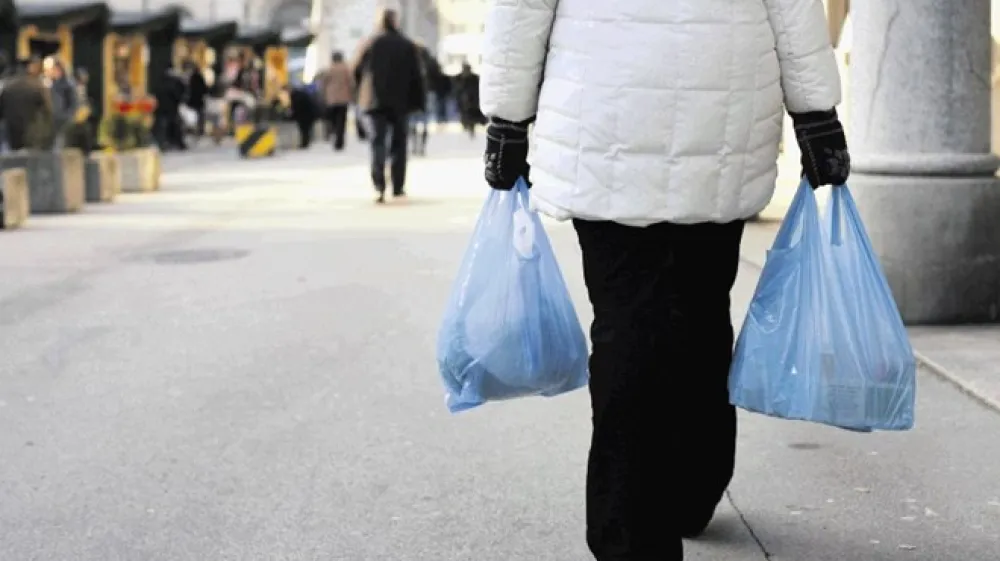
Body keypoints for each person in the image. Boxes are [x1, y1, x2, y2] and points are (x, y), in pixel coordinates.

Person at [479, 2, 850, 561]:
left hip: (604, 115)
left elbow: (522, 9)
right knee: (701, 309)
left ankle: (630, 535)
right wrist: (816, 113)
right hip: (723, 112)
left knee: (626, 322)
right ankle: (693, 483)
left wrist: (507, 120)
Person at [352, 8, 426, 203]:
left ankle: (379, 186)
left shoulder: (370, 43)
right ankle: (398, 187)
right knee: (399, 145)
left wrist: (360, 95)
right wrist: (418, 102)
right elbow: (417, 76)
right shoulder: (406, 45)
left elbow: (357, 71)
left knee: (377, 143)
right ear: (395, 22)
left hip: (373, 101)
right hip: (400, 102)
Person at [0, 56, 52, 151]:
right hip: (33, 133)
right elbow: (47, 111)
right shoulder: (38, 86)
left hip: (12, 133)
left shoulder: (8, 87)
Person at [315, 51, 355, 151]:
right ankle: (339, 142)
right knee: (341, 120)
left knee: (333, 119)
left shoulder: (329, 69)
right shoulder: (346, 69)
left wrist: (323, 95)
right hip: (344, 98)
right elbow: (352, 83)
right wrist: (353, 95)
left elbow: (323, 84)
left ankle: (334, 135)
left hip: (331, 99)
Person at [454, 62, 483, 138]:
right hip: (463, 102)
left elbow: (477, 89)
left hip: (472, 102)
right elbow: (457, 90)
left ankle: (471, 128)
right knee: (464, 115)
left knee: (471, 117)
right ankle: (466, 126)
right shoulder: (459, 78)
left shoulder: (474, 78)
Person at [286, 83, 318, 149]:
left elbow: (296, 107)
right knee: (306, 129)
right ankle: (305, 143)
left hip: (306, 115)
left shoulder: (295, 95)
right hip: (309, 114)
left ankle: (304, 143)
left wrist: (291, 116)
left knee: (304, 129)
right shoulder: (299, 93)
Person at [184, 60, 208, 139]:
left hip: (193, 100)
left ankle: (195, 131)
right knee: (198, 116)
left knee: (194, 116)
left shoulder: (191, 78)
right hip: (198, 100)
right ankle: (198, 131)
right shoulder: (198, 78)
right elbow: (205, 89)